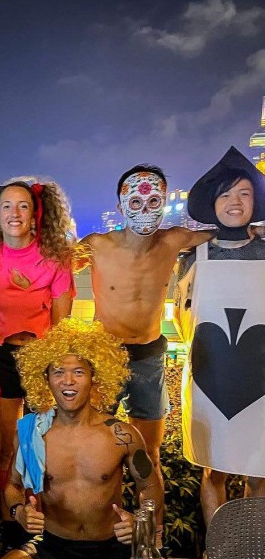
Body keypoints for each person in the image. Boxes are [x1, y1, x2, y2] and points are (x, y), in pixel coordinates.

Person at [0, 319, 164, 559]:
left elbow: (151, 487)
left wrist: (141, 522)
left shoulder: (121, 434)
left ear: (94, 377)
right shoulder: (33, 432)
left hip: (111, 547)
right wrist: (19, 512)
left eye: (78, 372)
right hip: (54, 546)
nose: (68, 381)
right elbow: (12, 488)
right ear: (45, 380)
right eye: (58, 372)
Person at [77, 165, 215, 510]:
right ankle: (101, 530)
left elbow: (227, 233)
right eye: (136, 203)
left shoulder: (174, 239)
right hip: (105, 355)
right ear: (121, 207)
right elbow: (48, 266)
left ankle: (153, 534)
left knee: (149, 454)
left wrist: (254, 228)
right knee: (98, 450)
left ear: (164, 203)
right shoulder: (97, 245)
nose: (145, 210)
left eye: (154, 201)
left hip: (150, 356)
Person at [174, 147, 265, 559]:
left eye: (244, 193)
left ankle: (253, 557)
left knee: (259, 472)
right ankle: (217, 554)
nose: (235, 202)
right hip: (211, 375)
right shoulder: (193, 257)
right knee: (214, 469)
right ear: (212, 203)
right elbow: (181, 317)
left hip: (260, 376)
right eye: (226, 194)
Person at [0, 178, 76, 515]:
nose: (15, 213)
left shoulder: (54, 257)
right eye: (7, 206)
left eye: (23, 206)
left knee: (39, 441)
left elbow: (62, 322)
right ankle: (8, 517)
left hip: (41, 355)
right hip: (0, 354)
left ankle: (38, 514)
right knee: (5, 441)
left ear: (34, 214)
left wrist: (51, 362)